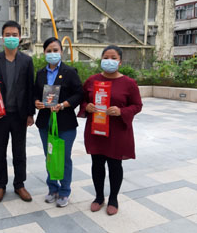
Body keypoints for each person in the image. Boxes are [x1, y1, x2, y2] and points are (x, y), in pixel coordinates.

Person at [77, 45, 142, 215]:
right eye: (106, 57)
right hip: (96, 130)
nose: (109, 61)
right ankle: (99, 197)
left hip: (117, 131)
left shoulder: (129, 83)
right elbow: (83, 101)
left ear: (120, 61)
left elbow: (137, 105)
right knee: (97, 164)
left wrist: (122, 111)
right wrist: (87, 106)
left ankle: (113, 198)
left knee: (115, 164)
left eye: (114, 58)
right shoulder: (92, 81)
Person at [0, 20, 35, 203]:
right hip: (0, 115)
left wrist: (31, 113)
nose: (11, 38)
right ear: (2, 37)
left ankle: (19, 185)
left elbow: (30, 88)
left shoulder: (27, 61)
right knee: (0, 152)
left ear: (20, 38)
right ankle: (0, 185)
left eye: (14, 35)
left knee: (19, 152)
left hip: (20, 116)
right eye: (7, 35)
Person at [34, 37, 83, 207]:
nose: (52, 53)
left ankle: (64, 191)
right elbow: (35, 93)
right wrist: (36, 102)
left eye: (56, 50)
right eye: (49, 51)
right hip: (45, 122)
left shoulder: (70, 72)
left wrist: (63, 105)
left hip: (65, 123)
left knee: (63, 158)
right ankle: (52, 188)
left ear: (61, 52)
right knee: (50, 156)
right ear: (44, 53)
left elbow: (79, 94)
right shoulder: (40, 73)